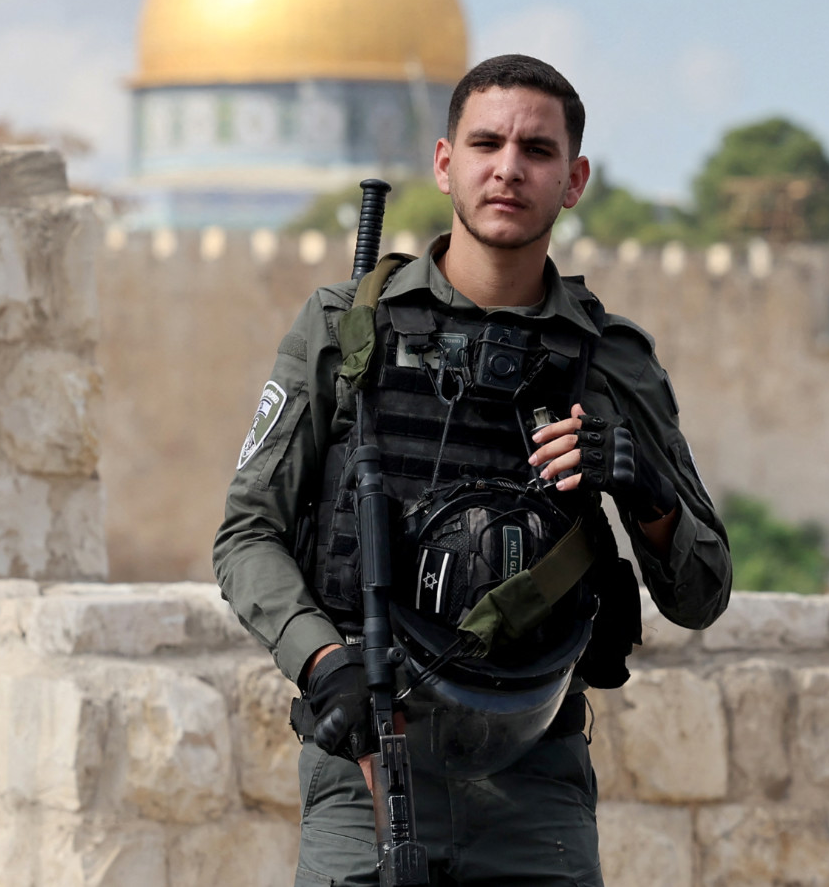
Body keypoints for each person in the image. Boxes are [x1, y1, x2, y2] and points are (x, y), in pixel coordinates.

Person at [214, 54, 732, 886]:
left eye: (537, 151)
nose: (508, 168)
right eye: (486, 143)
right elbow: (247, 534)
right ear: (445, 162)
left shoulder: (610, 362)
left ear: (574, 180)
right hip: (366, 769)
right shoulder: (347, 330)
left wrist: (644, 490)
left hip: (533, 787)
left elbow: (702, 594)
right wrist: (324, 662)